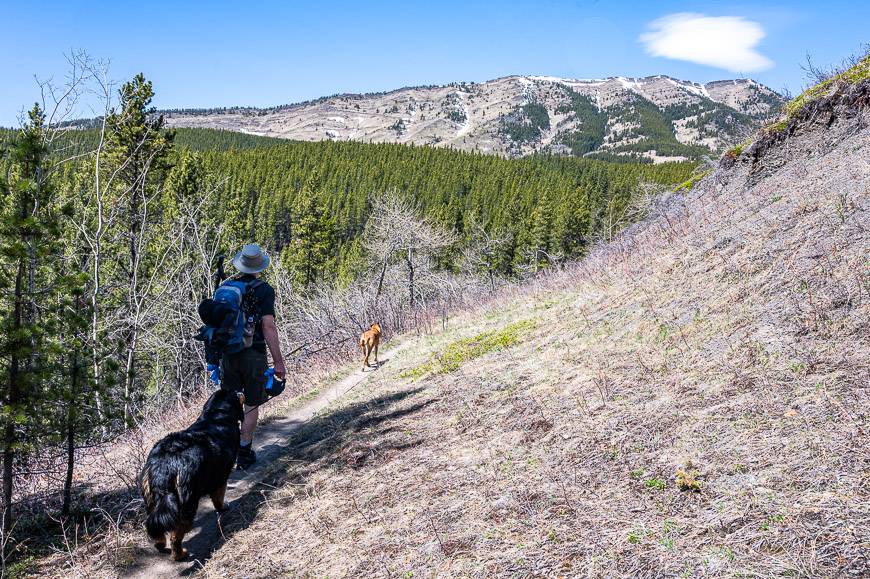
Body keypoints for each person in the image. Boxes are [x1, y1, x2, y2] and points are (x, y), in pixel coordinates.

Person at [220, 243, 286, 470]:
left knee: (230, 403)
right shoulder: (264, 290)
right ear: (259, 266)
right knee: (251, 403)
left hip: (228, 354)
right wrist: (278, 361)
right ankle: (244, 452)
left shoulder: (227, 286)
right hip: (253, 354)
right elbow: (268, 326)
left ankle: (226, 452)